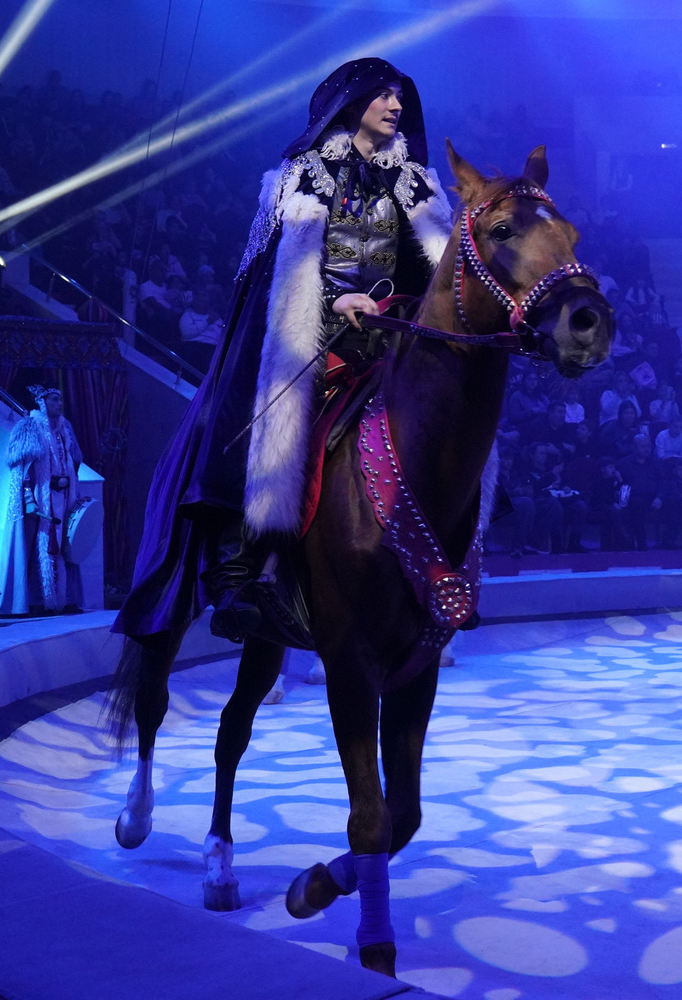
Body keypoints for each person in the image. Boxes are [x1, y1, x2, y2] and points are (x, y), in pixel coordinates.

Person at [115, 57, 451, 646]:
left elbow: (438, 271)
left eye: (400, 96)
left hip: (392, 338)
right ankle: (241, 570)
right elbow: (276, 271)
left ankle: (446, 562)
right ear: (352, 103)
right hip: (316, 335)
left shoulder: (417, 184)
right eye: (383, 95)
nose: (396, 106)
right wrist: (335, 300)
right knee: (265, 421)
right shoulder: (303, 176)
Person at [0, 385, 85, 615]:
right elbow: (23, 470)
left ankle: (62, 598)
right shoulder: (29, 427)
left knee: (63, 544)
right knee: (39, 544)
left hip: (64, 496)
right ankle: (38, 600)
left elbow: (73, 462)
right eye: (54, 399)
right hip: (40, 497)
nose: (59, 403)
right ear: (42, 402)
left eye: (60, 399)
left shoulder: (65, 428)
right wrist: (28, 499)